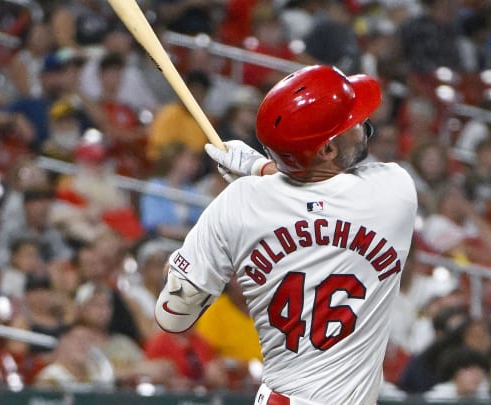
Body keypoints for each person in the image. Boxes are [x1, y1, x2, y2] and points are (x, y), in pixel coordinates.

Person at [155, 65, 417, 404]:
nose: (363, 124)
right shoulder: (395, 193)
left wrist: (181, 264)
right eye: (349, 122)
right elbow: (323, 191)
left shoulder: (238, 203)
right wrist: (260, 169)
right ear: (326, 151)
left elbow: (172, 316)